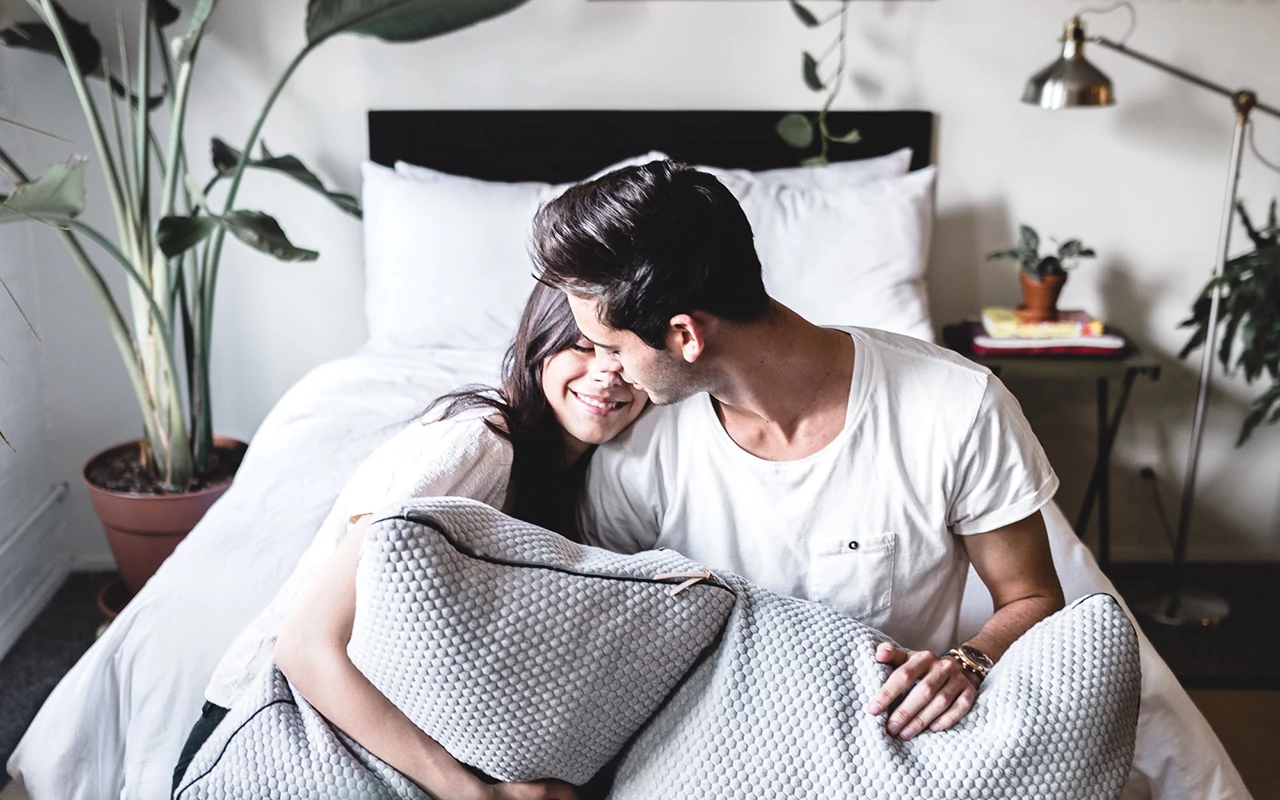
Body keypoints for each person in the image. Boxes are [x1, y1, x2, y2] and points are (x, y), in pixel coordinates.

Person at [532, 159, 1067, 744]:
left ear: (686, 335)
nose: (609, 372)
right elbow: (602, 631)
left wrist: (969, 662)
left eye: (611, 347)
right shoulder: (638, 441)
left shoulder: (959, 406)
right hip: (700, 744)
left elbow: (1033, 596)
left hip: (885, 741)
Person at [173, 283, 645, 800]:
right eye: (583, 345)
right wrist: (477, 795)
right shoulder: (483, 444)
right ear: (539, 344)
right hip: (262, 729)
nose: (608, 372)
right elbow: (305, 646)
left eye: (624, 350)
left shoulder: (586, 482)